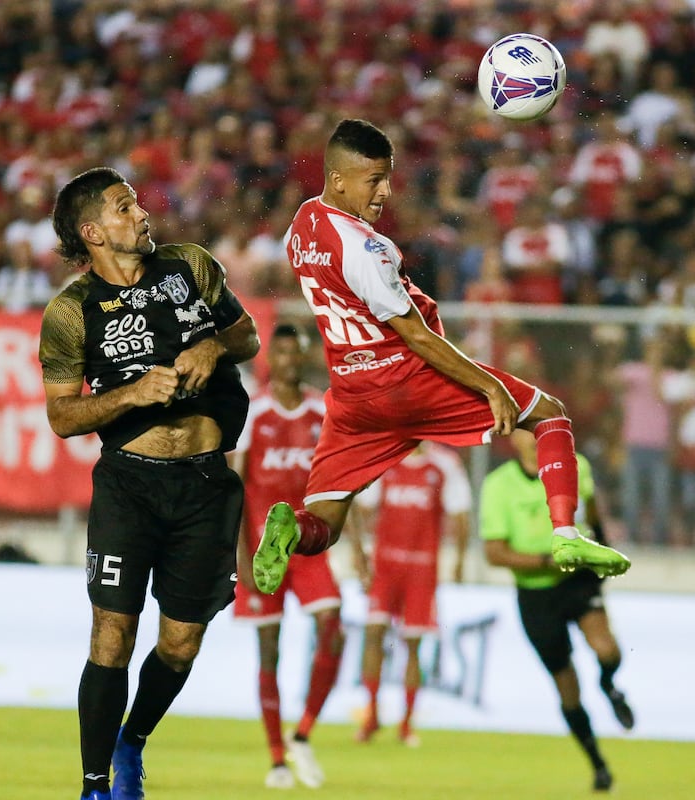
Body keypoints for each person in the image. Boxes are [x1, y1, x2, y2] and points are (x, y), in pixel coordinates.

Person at [251, 118, 629, 597]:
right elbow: (418, 337)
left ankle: (290, 530)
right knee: (551, 416)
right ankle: (566, 535)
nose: (385, 191)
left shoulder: (302, 224)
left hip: (352, 397)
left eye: (387, 177)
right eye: (373, 180)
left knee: (325, 521)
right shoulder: (366, 249)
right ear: (338, 178)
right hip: (407, 382)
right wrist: (489, 386)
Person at [39, 166, 260, 800]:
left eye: (135, 201)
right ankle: (92, 785)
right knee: (112, 632)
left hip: (207, 483)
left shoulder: (190, 265)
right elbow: (61, 415)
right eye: (123, 206)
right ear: (93, 231)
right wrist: (134, 393)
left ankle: (131, 739)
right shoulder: (70, 312)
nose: (140, 213)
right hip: (129, 486)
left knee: (182, 642)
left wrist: (212, 348)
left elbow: (246, 335)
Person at [479, 429, 634, 793]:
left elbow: (592, 507)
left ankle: (609, 684)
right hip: (535, 595)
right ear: (512, 440)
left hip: (576, 580)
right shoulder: (498, 485)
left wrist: (601, 545)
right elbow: (494, 553)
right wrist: (545, 560)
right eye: (523, 429)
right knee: (567, 688)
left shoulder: (575, 465)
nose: (533, 434)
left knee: (606, 649)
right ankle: (597, 763)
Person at [231, 323, 343, 790]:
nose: (290, 361)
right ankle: (277, 758)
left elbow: (340, 482)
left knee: (334, 629)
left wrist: (345, 536)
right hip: (263, 554)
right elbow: (233, 489)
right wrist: (240, 558)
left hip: (308, 547)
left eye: (298, 353)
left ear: (304, 358)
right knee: (269, 651)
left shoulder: (323, 409)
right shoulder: (254, 413)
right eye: (282, 353)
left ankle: (303, 734)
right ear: (269, 361)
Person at [352, 441, 471, 746]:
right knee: (374, 633)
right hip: (385, 565)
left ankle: (406, 723)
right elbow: (364, 508)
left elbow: (459, 513)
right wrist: (361, 556)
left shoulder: (444, 465)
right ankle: (373, 714)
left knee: (413, 644)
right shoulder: (386, 458)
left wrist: (458, 560)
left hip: (421, 568)